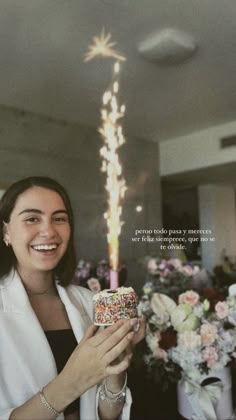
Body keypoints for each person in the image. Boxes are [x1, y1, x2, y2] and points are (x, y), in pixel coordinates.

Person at [0, 176, 144, 420]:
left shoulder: (89, 302)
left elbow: (107, 415)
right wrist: (73, 380)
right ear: (6, 232)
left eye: (59, 218)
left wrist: (115, 368)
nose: (48, 230)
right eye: (32, 218)